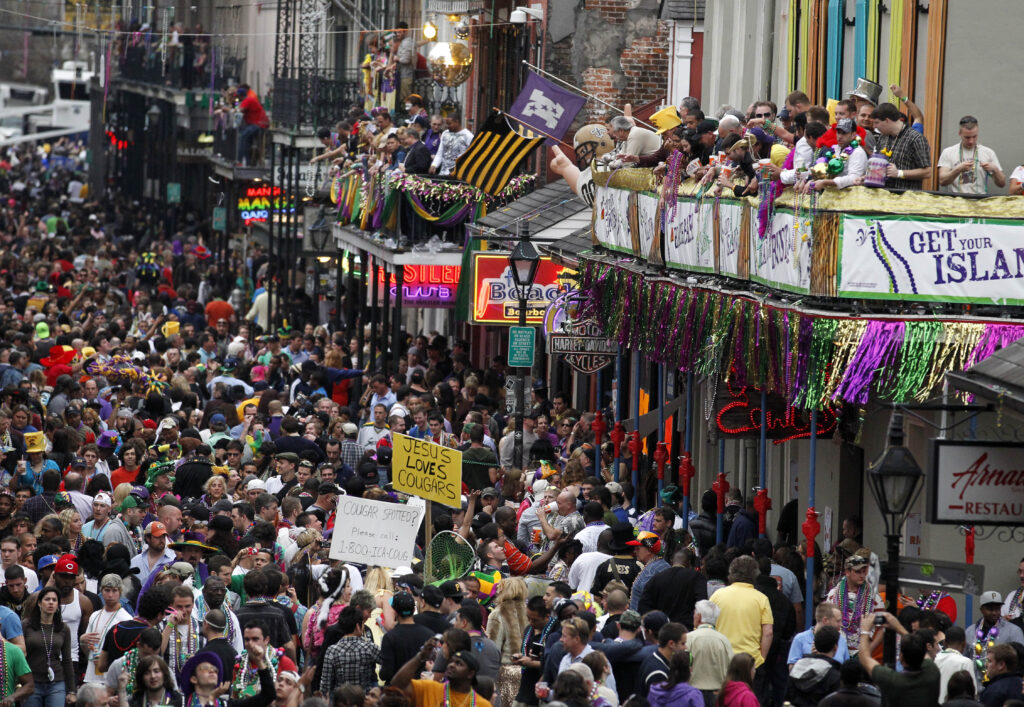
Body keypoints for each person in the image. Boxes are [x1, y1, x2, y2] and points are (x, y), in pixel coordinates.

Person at [858, 615, 940, 707]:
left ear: (901, 657)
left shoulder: (893, 680)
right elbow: (919, 649)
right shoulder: (932, 672)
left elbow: (864, 658)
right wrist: (899, 628)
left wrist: (865, 631)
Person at [392, 636, 494, 707]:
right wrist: (420, 657)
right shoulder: (429, 689)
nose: (451, 665)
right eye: (451, 662)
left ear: (470, 674)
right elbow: (398, 684)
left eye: (458, 663)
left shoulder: (482, 704)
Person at [710, 556, 773, 671]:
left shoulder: (717, 596)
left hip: (722, 659)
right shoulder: (761, 599)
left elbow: (708, 627)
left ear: (731, 572)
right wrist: (761, 659)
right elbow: (768, 632)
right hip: (750, 661)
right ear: (755, 574)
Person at [22, 586, 74, 707]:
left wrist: (71, 690)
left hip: (56, 682)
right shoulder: (26, 625)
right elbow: (19, 656)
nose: (51, 602)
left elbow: (67, 660)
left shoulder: (63, 628)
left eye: (54, 600)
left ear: (58, 605)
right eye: (47, 599)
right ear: (39, 603)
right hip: (31, 682)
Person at [825, 555, 884, 654]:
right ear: (847, 572)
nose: (862, 575)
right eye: (857, 572)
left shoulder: (874, 598)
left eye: (864, 571)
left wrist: (868, 650)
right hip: (838, 650)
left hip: (862, 651)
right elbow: (826, 624)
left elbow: (882, 627)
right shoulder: (833, 595)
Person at [81, 574, 132, 684]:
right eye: (107, 590)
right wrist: (83, 641)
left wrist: (106, 660)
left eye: (114, 591)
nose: (110, 595)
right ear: (101, 591)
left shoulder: (126, 619)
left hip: (113, 679)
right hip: (92, 675)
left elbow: (127, 654)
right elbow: (86, 647)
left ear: (120, 592)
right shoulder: (94, 615)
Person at [965, 591, 1024, 682]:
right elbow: (965, 658)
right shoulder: (970, 631)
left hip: (1001, 685)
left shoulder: (1013, 631)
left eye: (997, 609)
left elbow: (1020, 662)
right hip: (974, 685)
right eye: (990, 609)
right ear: (982, 609)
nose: (994, 613)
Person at [871, 102, 931, 190]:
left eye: (876, 122)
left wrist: (899, 173)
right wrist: (866, 177)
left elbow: (927, 172)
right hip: (883, 196)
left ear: (887, 120)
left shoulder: (915, 138)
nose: (874, 126)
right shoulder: (882, 138)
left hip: (906, 198)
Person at [937, 116, 1005, 195]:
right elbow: (942, 181)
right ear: (960, 133)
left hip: (979, 200)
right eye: (967, 137)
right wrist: (957, 170)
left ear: (978, 132)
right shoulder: (948, 152)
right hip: (956, 201)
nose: (971, 141)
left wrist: (995, 170)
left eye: (974, 136)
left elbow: (1002, 184)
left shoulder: (988, 152)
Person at [786, 625, 842, 706]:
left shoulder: (796, 669)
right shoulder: (835, 676)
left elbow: (787, 700)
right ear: (835, 647)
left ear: (814, 644)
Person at [789, 602, 851, 668]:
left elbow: (847, 670)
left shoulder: (841, 640)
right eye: (838, 621)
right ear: (825, 620)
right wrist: (810, 658)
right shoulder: (800, 639)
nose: (841, 624)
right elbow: (792, 670)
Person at [639, 622, 688, 696]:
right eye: (683, 644)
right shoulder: (658, 673)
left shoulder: (654, 657)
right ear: (671, 644)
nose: (685, 648)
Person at [117, 654, 183, 707]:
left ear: (164, 674)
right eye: (147, 673)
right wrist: (121, 690)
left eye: (156, 671)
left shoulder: (175, 698)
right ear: (141, 677)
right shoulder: (135, 699)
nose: (152, 676)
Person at [935, 626, 976, 702]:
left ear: (944, 643)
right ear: (964, 644)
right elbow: (973, 692)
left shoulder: (934, 659)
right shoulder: (965, 662)